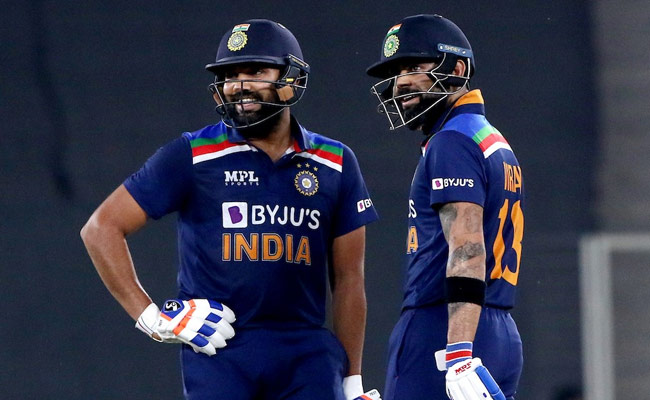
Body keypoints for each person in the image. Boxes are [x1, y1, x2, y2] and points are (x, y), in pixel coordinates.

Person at [81, 19, 381, 400]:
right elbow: (101, 228)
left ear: (291, 79)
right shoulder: (194, 153)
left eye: (255, 71)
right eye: (229, 75)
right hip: (220, 347)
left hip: (308, 355)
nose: (239, 85)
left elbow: (349, 278)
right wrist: (152, 319)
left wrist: (353, 381)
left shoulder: (335, 161)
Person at [366, 14, 524, 400]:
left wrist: (459, 353)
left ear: (456, 69)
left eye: (414, 67)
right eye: (397, 72)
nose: (401, 82)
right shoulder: (491, 139)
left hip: (444, 327)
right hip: (499, 330)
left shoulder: (451, 141)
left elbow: (468, 249)